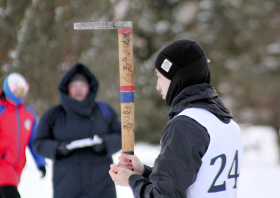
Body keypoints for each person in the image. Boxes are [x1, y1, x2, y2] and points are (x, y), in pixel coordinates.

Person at [109, 40, 243, 198]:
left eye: (160, 77)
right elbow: (192, 180)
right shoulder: (226, 122)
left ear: (177, 78)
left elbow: (165, 195)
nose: (158, 86)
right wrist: (144, 172)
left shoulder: (186, 124)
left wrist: (132, 180)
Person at [33, 63, 122, 198]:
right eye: (74, 86)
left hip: (102, 187)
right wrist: (57, 148)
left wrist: (105, 144)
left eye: (82, 86)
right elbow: (38, 143)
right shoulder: (53, 114)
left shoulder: (105, 111)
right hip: (66, 188)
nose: (78, 90)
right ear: (67, 88)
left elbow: (122, 136)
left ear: (89, 88)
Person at [0, 73, 46, 198]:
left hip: (17, 168)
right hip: (3, 165)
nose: (21, 93)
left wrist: (40, 162)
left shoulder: (29, 115)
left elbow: (34, 141)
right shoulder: (1, 110)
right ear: (8, 89)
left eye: (24, 89)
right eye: (17, 90)